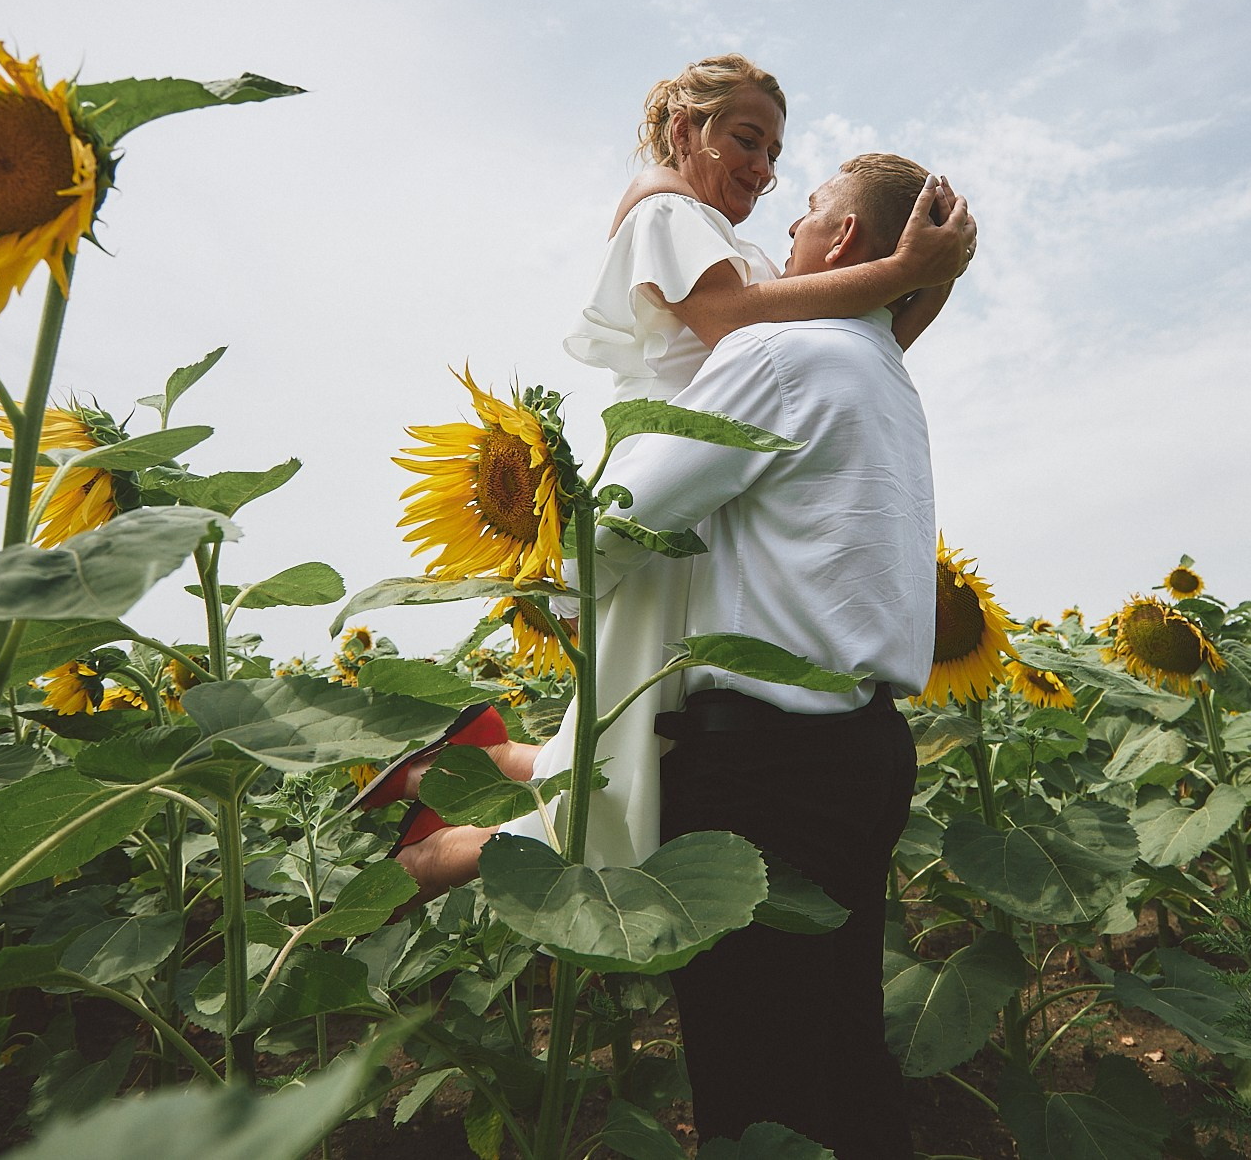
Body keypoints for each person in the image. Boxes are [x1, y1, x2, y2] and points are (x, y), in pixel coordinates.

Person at [395, 55, 972, 875]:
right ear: (682, 130)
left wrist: (929, 281)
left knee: (641, 731)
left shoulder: (733, 248)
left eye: (775, 154)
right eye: (747, 139)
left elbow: (838, 360)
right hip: (674, 474)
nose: (766, 170)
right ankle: (440, 843)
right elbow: (738, 325)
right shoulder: (667, 213)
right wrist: (909, 271)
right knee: (634, 741)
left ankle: (466, 774)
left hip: (712, 485)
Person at [588, 151, 940, 1160]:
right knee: (840, 1053)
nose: (781, 237)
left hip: (765, 768)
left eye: (807, 217)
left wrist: (558, 575)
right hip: (864, 750)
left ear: (839, 244)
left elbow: (622, 519)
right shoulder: (882, 375)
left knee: (759, 1085)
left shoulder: (779, 355)